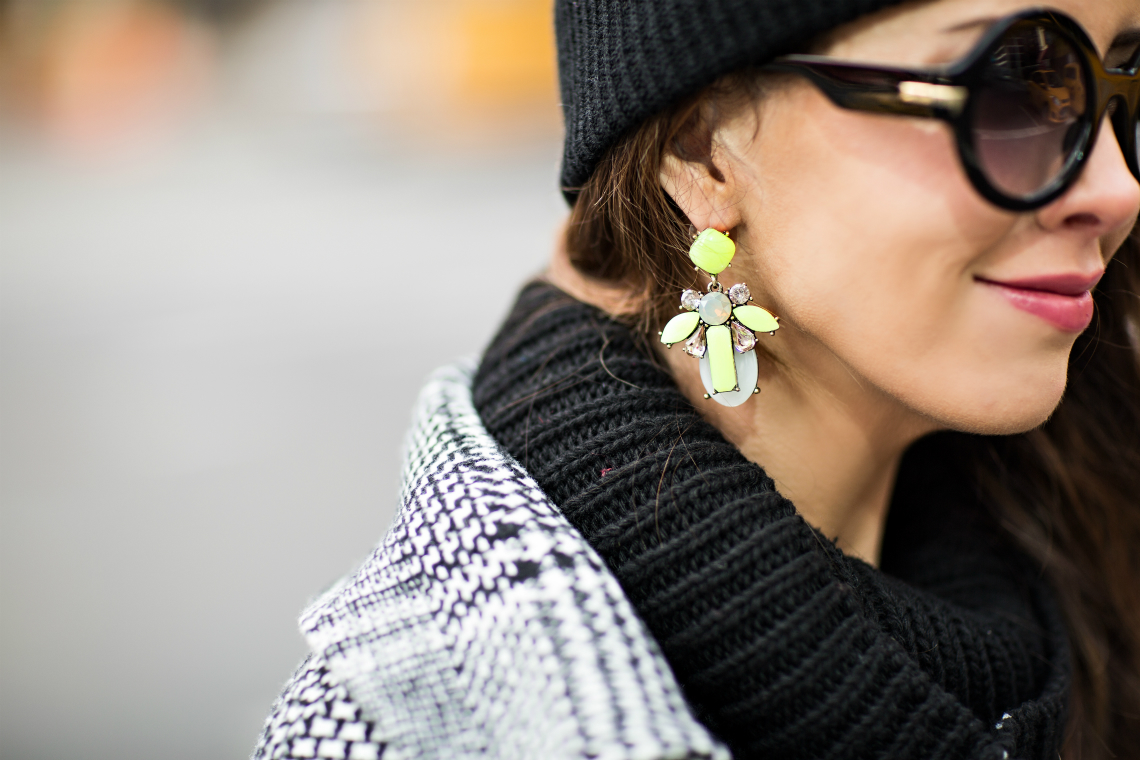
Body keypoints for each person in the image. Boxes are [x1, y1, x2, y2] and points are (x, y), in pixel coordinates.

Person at [252, 0, 1140, 758]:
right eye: (1017, 84)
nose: (1115, 187)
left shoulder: (1080, 525)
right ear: (703, 152)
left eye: (1123, 84)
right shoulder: (409, 731)